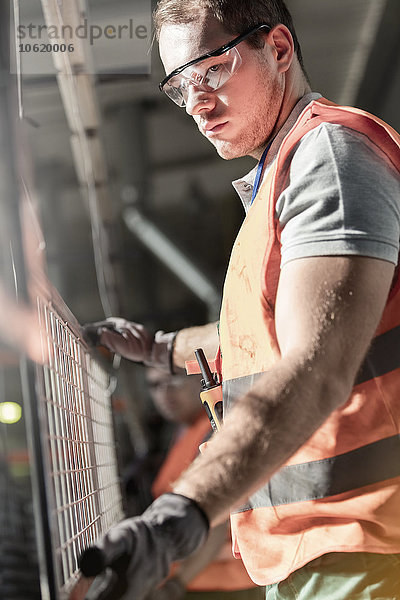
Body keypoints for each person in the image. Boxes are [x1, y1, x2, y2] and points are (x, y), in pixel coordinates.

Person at [79, 1, 400, 599]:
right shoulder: (286, 174)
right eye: (181, 85)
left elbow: (315, 367)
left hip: (366, 546)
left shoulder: (327, 158)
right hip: (324, 551)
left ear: (278, 49)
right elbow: (269, 338)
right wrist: (158, 348)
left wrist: (181, 516)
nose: (196, 103)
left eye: (213, 70)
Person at [145, 368, 262, 600]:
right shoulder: (184, 431)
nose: (165, 392)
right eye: (155, 385)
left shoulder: (214, 428)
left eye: (174, 379)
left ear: (196, 376)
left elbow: (214, 513)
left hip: (221, 584)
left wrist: (177, 584)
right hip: (198, 580)